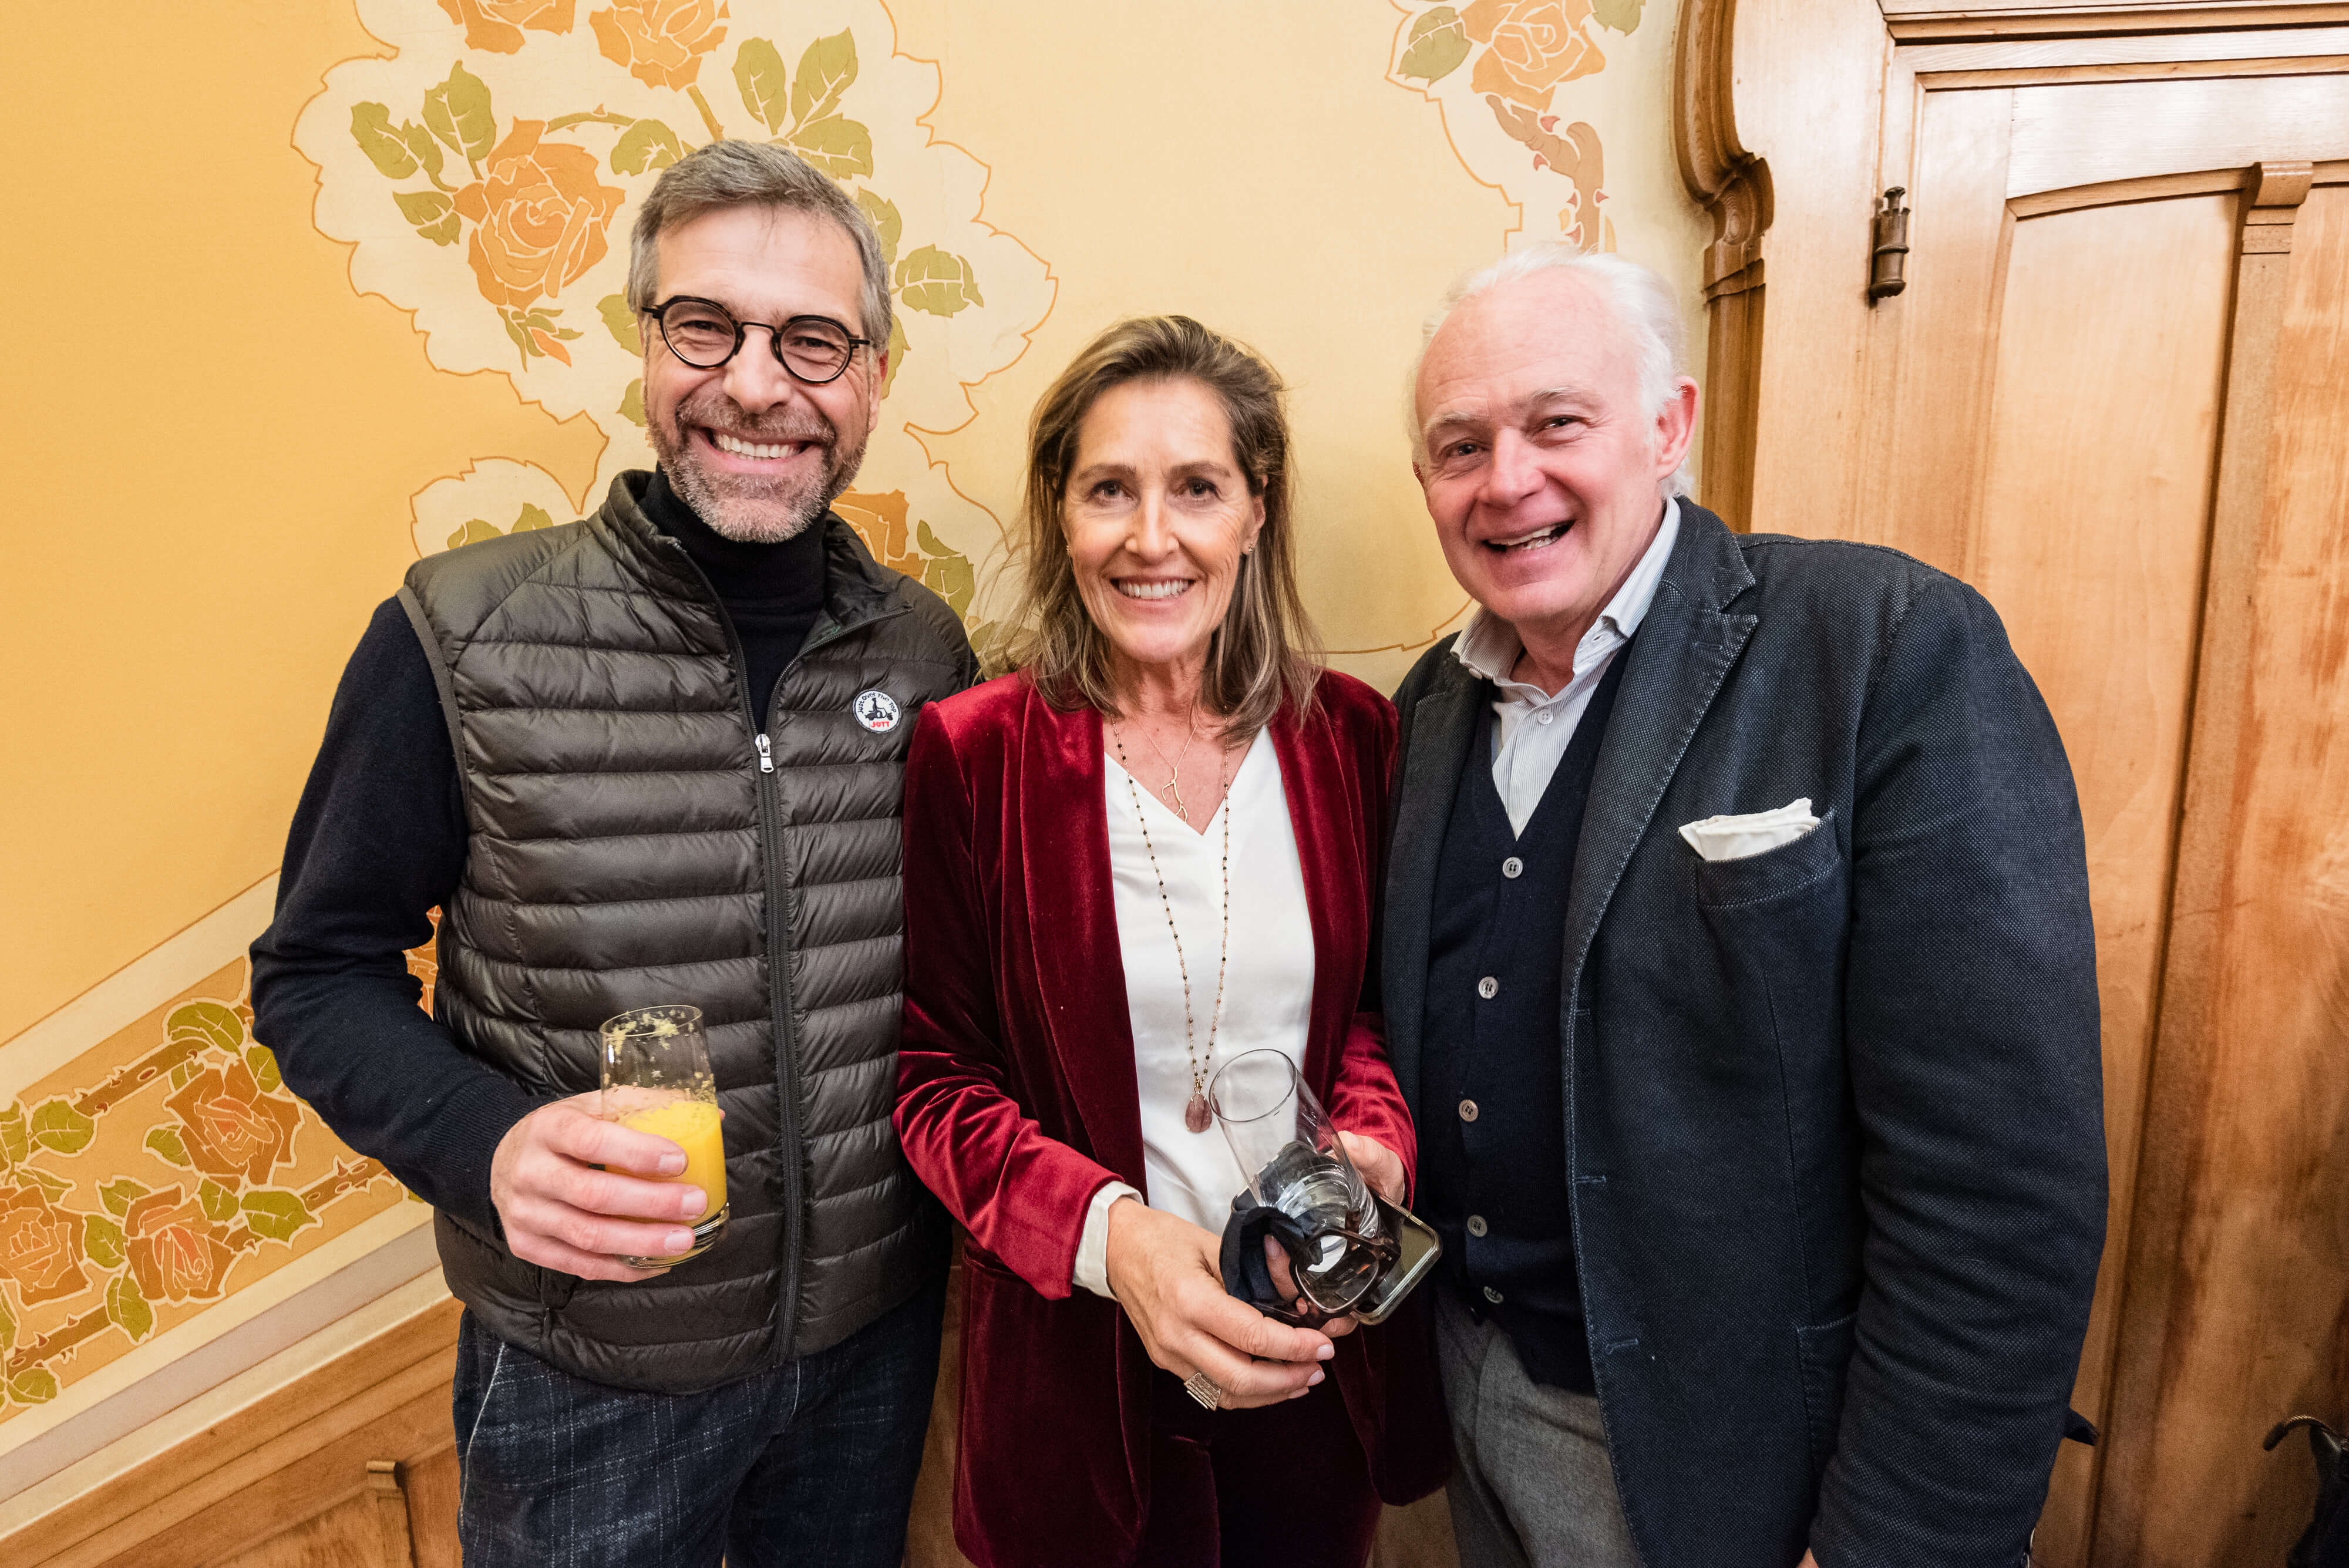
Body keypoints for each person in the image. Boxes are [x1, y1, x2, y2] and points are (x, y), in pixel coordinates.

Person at [249, 140, 975, 1566]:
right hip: (586, 1382)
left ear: (872, 378)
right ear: (647, 344)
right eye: (706, 326)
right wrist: (485, 1144)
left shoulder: (922, 649)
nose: (755, 385)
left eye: (812, 341)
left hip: (871, 1349)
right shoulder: (459, 635)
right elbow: (316, 973)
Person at [1382, 245, 2105, 1568]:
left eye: (1557, 422)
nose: (1506, 480)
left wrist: (1899, 1541)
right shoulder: (1426, 709)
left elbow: (1998, 1189)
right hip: (1468, 1399)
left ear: (1669, 427)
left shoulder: (1884, 644)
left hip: (1749, 1465)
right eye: (1459, 445)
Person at [893, 315, 1449, 1567]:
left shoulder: (1353, 737)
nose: (1152, 538)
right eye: (1109, 490)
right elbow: (933, 1078)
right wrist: (1116, 1241)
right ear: (1061, 514)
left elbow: (1371, 1016)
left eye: (1196, 487)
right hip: (1073, 1378)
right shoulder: (974, 753)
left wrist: (1374, 1142)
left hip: (1313, 1351)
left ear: (1256, 510)